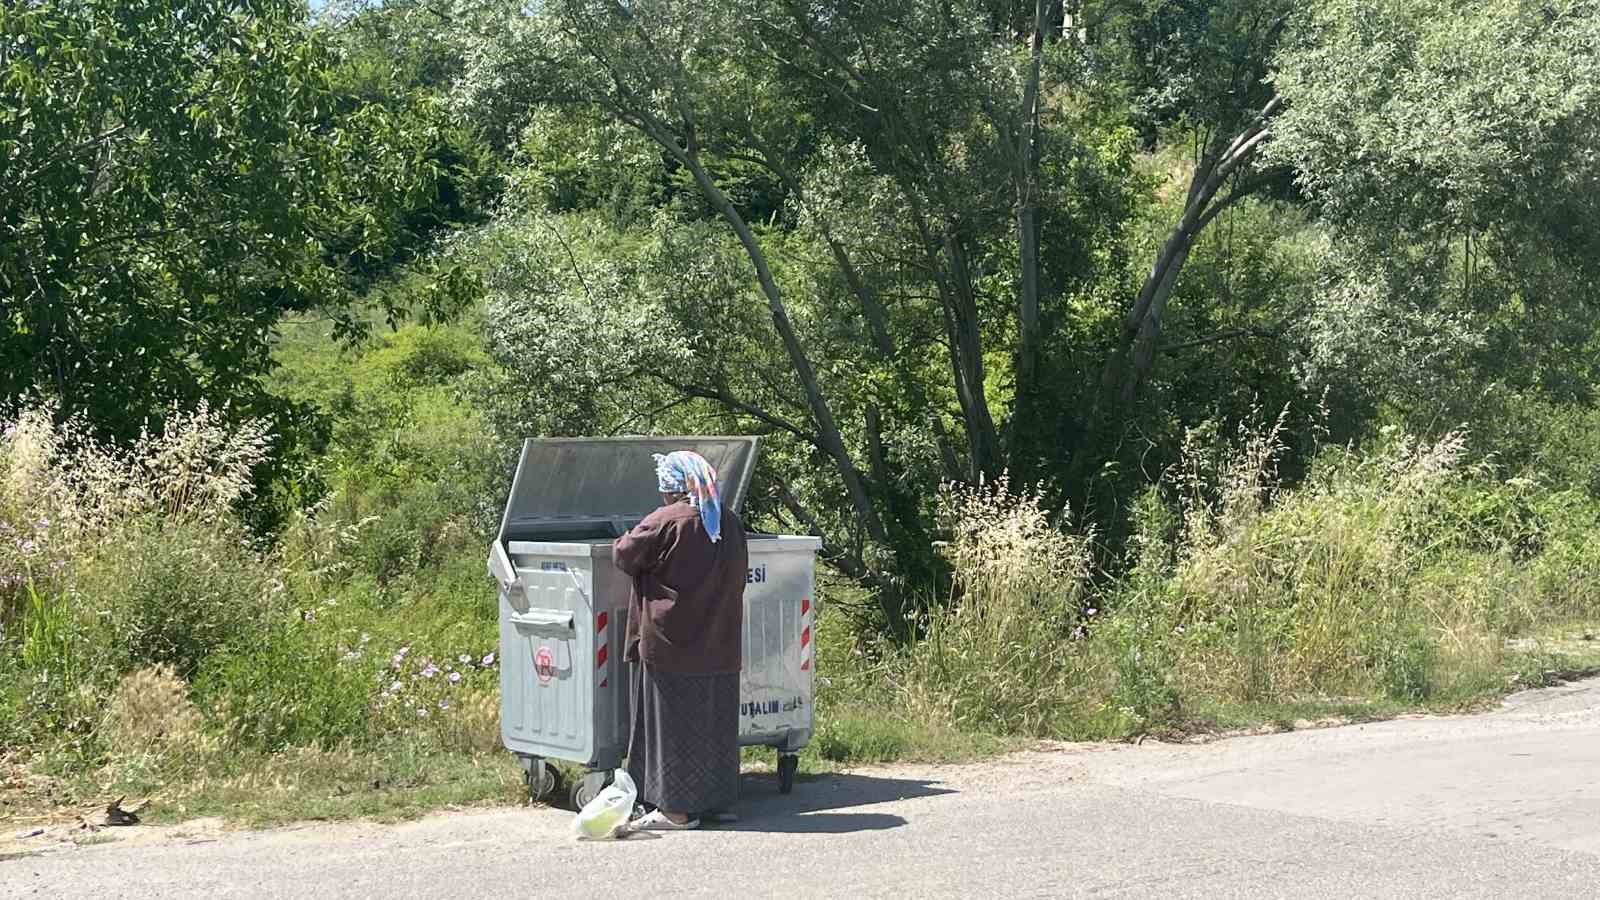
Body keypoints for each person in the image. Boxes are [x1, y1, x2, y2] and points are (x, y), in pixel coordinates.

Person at [612, 450, 748, 831]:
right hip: (720, 641)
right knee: (715, 722)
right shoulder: (729, 521)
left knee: (669, 725)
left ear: (673, 490)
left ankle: (675, 810)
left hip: (673, 643)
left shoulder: (665, 521)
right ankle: (718, 803)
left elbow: (624, 556)